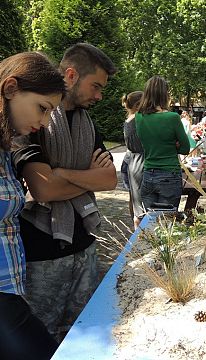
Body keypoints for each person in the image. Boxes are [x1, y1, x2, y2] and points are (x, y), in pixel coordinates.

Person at [12, 43, 117, 341]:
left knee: (84, 334)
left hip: (85, 245)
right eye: (95, 86)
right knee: (39, 338)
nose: (99, 96)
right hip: (41, 252)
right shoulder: (33, 119)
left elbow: (109, 179)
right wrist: (88, 176)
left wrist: (62, 173)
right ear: (71, 75)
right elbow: (43, 188)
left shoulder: (87, 123)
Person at [0, 52, 66, 359]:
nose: (43, 122)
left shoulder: (5, 146)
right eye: (42, 108)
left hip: (10, 289)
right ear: (10, 88)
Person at [135, 75, 190, 211]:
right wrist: (172, 146)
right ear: (164, 94)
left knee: (150, 224)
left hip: (148, 174)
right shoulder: (172, 118)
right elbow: (185, 148)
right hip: (169, 174)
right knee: (167, 224)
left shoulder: (139, 117)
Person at [122, 91, 144, 229]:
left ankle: (135, 226)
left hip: (129, 161)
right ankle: (138, 230)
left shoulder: (129, 118)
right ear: (137, 105)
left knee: (133, 198)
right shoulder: (138, 119)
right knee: (139, 202)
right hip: (136, 163)